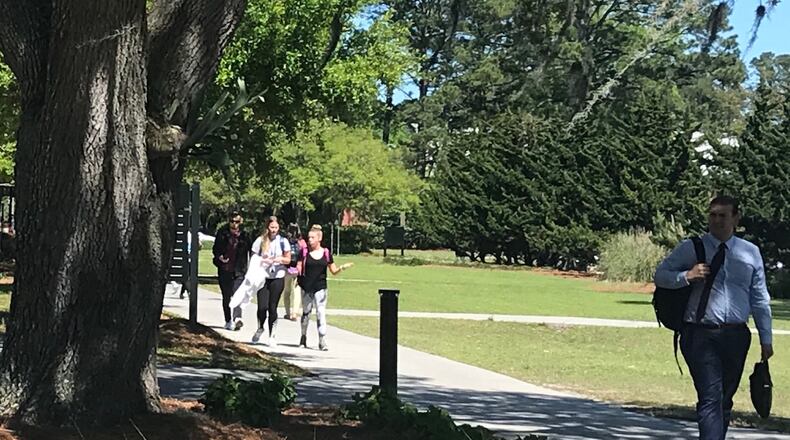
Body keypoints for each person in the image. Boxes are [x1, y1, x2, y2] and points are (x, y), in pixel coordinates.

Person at [654, 195, 773, 440]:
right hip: (700, 334)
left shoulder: (750, 253)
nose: (717, 220)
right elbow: (661, 275)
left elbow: (759, 297)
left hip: (736, 335)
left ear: (736, 218)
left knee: (724, 399)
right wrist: (687, 275)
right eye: (713, 215)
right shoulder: (693, 247)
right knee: (710, 396)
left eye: (723, 215)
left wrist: (766, 338)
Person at [296, 225, 353, 351]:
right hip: (306, 287)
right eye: (309, 237)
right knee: (306, 312)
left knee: (320, 312)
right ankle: (303, 336)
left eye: (312, 237)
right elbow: (299, 266)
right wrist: (297, 275)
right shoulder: (304, 252)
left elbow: (333, 270)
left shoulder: (326, 253)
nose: (309, 240)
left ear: (319, 238)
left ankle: (322, 340)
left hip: (320, 287)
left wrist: (342, 268)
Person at [251, 216, 291, 346]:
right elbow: (253, 257)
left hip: (277, 276)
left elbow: (288, 259)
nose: (274, 230)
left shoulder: (283, 241)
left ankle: (272, 335)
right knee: (262, 306)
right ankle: (260, 327)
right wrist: (262, 261)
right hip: (263, 276)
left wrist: (278, 259)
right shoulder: (260, 241)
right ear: (267, 227)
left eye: (276, 228)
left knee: (272, 307)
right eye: (271, 227)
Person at [212, 211, 252, 331]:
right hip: (225, 269)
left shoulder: (245, 235)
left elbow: (251, 250)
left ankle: (237, 318)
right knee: (226, 296)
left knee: (237, 294)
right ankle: (228, 320)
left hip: (239, 269)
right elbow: (216, 249)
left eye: (237, 222)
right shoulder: (222, 233)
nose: (234, 224)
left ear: (241, 222)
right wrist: (220, 257)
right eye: (232, 221)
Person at [283, 223, 306, 321]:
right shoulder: (302, 242)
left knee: (287, 291)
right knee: (297, 292)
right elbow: (304, 255)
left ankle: (288, 312)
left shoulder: (284, 241)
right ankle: (295, 313)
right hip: (298, 269)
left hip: (286, 269)